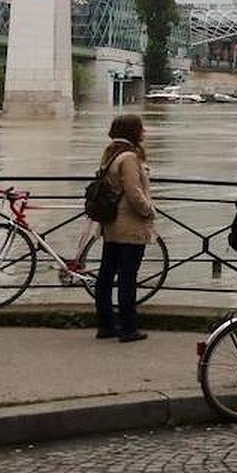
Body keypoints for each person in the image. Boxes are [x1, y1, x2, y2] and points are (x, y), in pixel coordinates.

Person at [94, 114, 156, 343]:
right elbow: (133, 192)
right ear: (133, 131)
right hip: (129, 225)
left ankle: (106, 324)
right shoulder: (129, 157)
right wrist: (149, 210)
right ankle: (128, 327)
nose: (145, 132)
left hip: (110, 224)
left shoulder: (110, 153)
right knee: (128, 277)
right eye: (141, 128)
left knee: (106, 274)